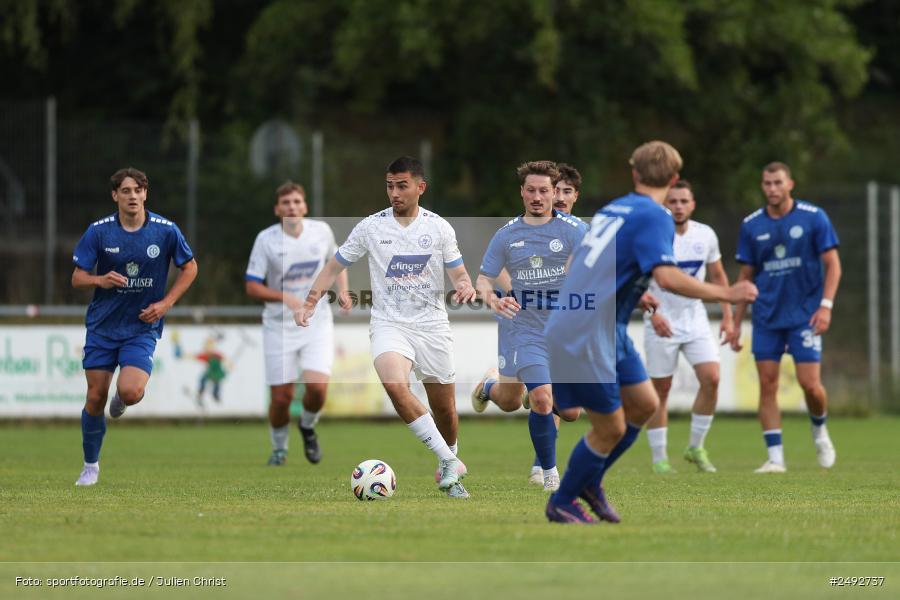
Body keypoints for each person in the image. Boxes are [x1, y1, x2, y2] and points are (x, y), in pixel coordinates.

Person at [543, 141, 757, 523]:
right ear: (674, 178)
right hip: (588, 329)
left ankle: (589, 482)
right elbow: (668, 277)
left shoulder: (613, 209)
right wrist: (727, 293)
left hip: (602, 324)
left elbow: (578, 262)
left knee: (644, 405)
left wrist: (626, 289)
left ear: (634, 173)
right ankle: (563, 500)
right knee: (609, 427)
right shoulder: (655, 216)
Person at [294, 156, 476, 498]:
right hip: (389, 324)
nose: (394, 193)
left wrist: (465, 285)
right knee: (395, 384)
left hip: (433, 327)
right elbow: (333, 266)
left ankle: (450, 461)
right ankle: (449, 461)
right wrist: (310, 301)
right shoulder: (370, 227)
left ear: (420, 188)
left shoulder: (439, 228)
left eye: (402, 186)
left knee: (445, 411)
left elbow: (459, 273)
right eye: (390, 186)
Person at [71, 167, 198, 486]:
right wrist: (100, 280)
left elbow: (190, 268)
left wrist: (166, 303)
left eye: (138, 190)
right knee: (95, 397)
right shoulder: (99, 231)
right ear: (115, 195)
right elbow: (77, 277)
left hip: (141, 326)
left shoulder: (165, 230)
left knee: (131, 391)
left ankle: (122, 400)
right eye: (126, 190)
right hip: (103, 326)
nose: (133, 196)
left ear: (145, 194)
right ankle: (90, 466)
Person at [471, 160, 588, 492]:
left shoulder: (576, 230)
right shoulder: (507, 235)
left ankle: (489, 385)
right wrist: (494, 300)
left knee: (569, 412)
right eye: (531, 190)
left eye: (544, 191)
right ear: (522, 192)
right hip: (525, 329)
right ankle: (549, 474)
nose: (538, 197)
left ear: (554, 192)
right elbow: (483, 279)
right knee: (541, 399)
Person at [727, 162, 841, 473]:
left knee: (810, 385)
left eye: (778, 182)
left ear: (790, 183)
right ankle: (775, 458)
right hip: (766, 316)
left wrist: (826, 306)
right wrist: (736, 322)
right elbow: (745, 277)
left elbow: (833, 264)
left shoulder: (814, 217)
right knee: (767, 384)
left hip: (804, 316)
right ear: (762, 187)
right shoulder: (751, 225)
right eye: (767, 183)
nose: (773, 188)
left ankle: (819, 429)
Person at [245, 181, 351, 466]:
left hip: (317, 322)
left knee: (317, 389)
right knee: (281, 398)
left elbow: (337, 263)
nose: (292, 207)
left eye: (296, 202)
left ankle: (307, 425)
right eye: (286, 203)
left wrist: (343, 291)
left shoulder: (321, 231)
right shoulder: (266, 240)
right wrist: (286, 298)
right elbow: (252, 286)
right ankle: (279, 449)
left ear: (305, 206)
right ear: (277, 209)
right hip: (278, 326)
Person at [643, 180, 733, 474]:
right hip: (660, 321)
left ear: (692, 205)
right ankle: (659, 459)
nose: (678, 206)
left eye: (684, 201)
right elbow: (637, 279)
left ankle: (695, 447)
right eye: (673, 201)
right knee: (661, 390)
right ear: (664, 204)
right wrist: (653, 313)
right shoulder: (654, 235)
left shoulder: (705, 234)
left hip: (695, 320)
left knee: (712, 378)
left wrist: (728, 315)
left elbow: (718, 276)